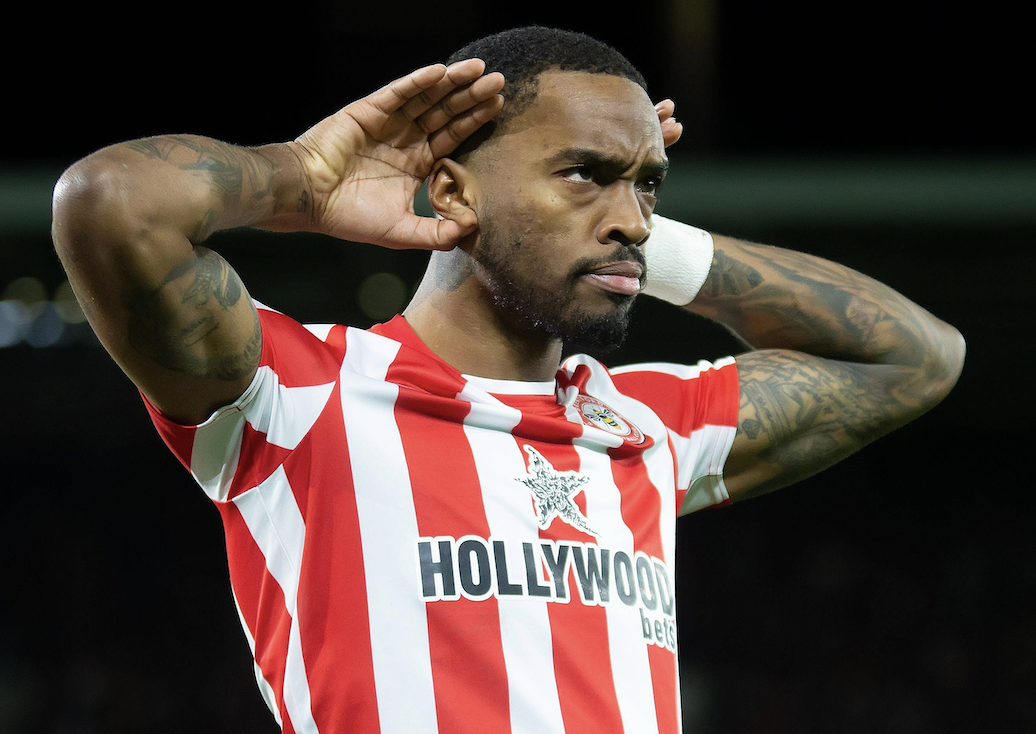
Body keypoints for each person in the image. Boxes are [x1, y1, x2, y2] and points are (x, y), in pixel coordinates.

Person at [51, 25, 964, 734]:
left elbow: (918, 358)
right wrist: (302, 177)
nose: (633, 217)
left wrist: (633, 234)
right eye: (583, 173)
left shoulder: (645, 425)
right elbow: (111, 203)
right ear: (453, 192)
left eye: (648, 185)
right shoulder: (300, 394)